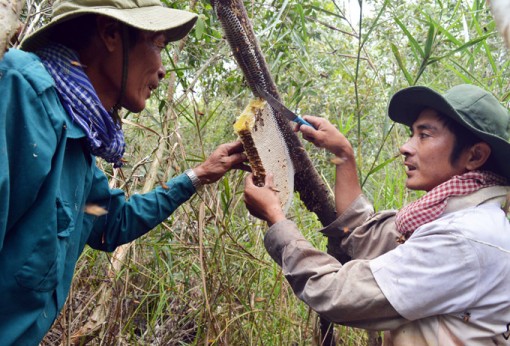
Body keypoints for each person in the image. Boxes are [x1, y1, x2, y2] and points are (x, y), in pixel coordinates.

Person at [0, 0, 248, 344]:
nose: (163, 69)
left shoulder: (80, 153)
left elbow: (108, 223)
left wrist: (199, 175)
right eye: (158, 44)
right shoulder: (24, 95)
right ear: (111, 33)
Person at [243, 84, 510, 345]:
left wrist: (276, 219)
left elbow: (336, 295)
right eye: (411, 134)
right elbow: (362, 234)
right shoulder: (450, 215)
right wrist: (343, 154)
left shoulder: (463, 238)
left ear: (475, 156)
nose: (405, 147)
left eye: (424, 135)